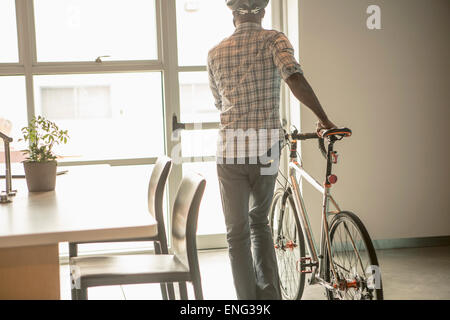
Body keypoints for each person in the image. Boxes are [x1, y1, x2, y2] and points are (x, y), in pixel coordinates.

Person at [207, 0, 336, 300]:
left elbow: (219, 104)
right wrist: (324, 120)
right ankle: (269, 298)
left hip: (229, 151)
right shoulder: (274, 40)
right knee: (259, 222)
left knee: (235, 234)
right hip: (265, 149)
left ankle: (246, 302)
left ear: (233, 14)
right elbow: (294, 78)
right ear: (262, 11)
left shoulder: (214, 53)